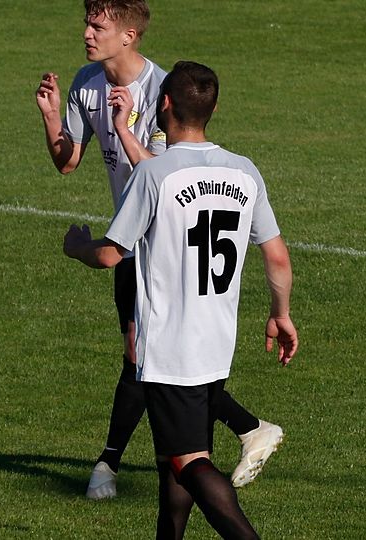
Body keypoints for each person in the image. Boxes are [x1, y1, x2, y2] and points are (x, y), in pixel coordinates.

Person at [36, 0, 282, 500]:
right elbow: (67, 162)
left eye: (98, 26)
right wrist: (51, 117)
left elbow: (170, 172)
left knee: (143, 356)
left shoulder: (161, 91)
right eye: (87, 23)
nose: (87, 33)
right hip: (131, 236)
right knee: (144, 359)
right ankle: (233, 434)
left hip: (162, 241)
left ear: (128, 35)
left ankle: (112, 462)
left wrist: (124, 129)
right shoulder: (85, 83)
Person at [63, 61, 298, 539]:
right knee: (173, 464)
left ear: (164, 105)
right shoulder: (244, 171)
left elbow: (110, 255)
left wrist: (76, 246)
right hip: (217, 344)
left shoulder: (155, 175)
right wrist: (281, 315)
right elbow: (276, 256)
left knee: (190, 464)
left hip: (171, 350)